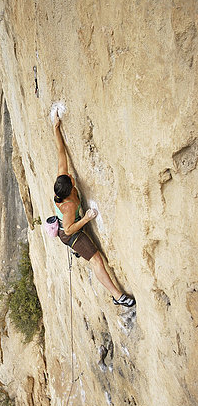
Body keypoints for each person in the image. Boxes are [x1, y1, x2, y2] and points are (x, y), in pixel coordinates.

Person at [53, 113, 135, 307]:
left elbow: (60, 152)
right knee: (96, 259)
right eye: (72, 180)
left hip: (73, 223)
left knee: (94, 254)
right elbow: (69, 229)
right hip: (71, 234)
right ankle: (117, 297)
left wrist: (55, 128)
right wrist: (87, 218)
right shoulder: (68, 207)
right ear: (68, 190)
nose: (72, 177)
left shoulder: (61, 179)